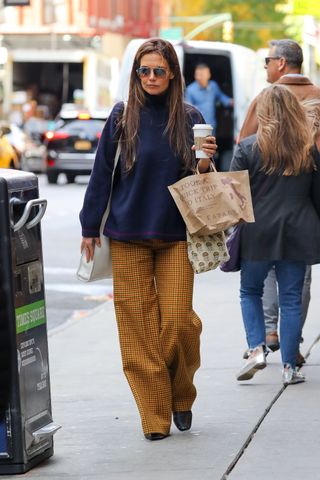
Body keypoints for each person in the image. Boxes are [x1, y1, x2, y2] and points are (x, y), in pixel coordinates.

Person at [79, 38, 216, 441]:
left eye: (159, 70)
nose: (151, 77)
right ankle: (154, 418)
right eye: (144, 71)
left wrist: (205, 159)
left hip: (175, 236)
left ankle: (181, 394)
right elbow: (102, 173)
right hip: (128, 236)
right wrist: (89, 228)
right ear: (136, 74)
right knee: (137, 329)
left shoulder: (190, 117)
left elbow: (204, 186)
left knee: (178, 323)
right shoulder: (122, 116)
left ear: (172, 73)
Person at [231, 85, 320, 385]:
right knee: (292, 299)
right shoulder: (308, 149)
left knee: (250, 291)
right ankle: (289, 368)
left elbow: (235, 195)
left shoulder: (247, 148)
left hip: (258, 230)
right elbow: (318, 197)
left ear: (264, 112)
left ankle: (256, 349)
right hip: (298, 230)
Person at [185, 63, 233, 133]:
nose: (200, 77)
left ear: (209, 75)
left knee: (211, 143)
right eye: (198, 74)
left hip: (211, 125)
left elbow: (222, 97)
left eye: (202, 74)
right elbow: (188, 110)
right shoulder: (190, 90)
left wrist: (232, 102)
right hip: (197, 127)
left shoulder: (213, 86)